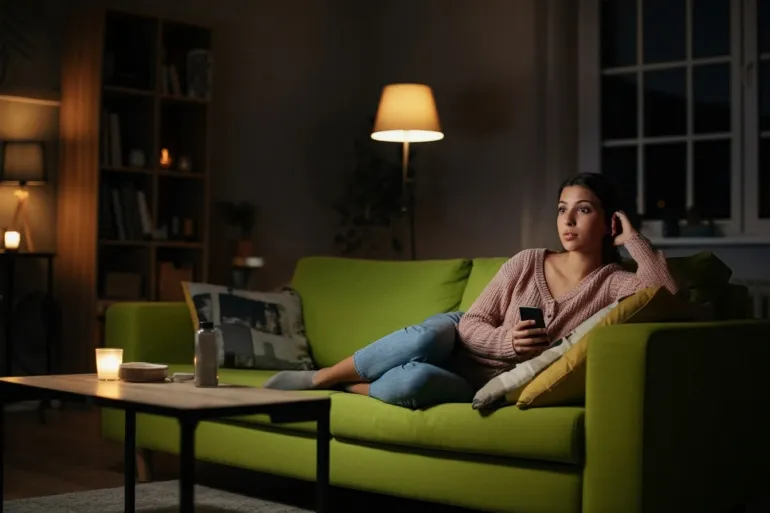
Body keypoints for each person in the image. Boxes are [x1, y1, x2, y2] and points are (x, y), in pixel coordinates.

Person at [263, 172, 678, 409]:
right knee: (426, 336)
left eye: (584, 210)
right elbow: (473, 322)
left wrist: (635, 241)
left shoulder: (613, 284)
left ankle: (350, 387)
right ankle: (318, 379)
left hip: (480, 381)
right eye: (561, 209)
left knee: (412, 384)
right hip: (460, 337)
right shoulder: (528, 260)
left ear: (609, 223)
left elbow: (668, 297)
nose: (567, 220)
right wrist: (507, 341)